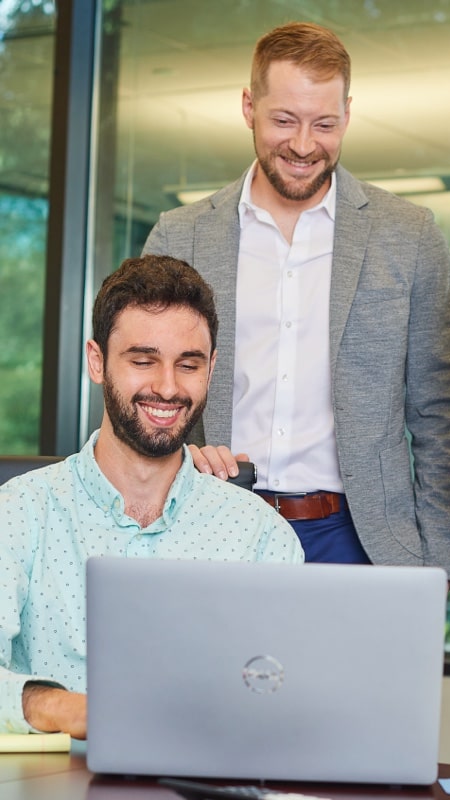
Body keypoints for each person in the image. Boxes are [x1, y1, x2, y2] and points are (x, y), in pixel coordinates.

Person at [142, 22, 450, 585]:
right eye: (283, 121)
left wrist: (440, 564)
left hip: (359, 539)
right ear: (249, 107)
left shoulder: (408, 236)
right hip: (211, 526)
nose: (302, 145)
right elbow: (143, 389)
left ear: (347, 112)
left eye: (324, 124)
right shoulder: (181, 237)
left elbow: (439, 413)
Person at [0, 255, 303, 739]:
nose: (167, 387)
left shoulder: (261, 535)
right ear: (97, 362)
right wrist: (67, 710)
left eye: (188, 365)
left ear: (212, 368)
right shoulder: (18, 514)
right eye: (143, 361)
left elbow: (293, 697)